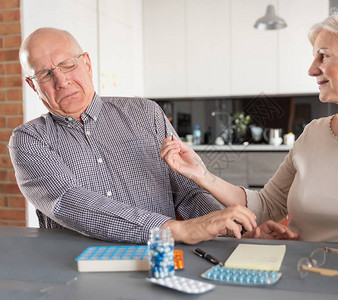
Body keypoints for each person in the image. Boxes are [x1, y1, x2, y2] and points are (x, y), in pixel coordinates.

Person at [160, 5, 338, 246]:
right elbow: (267, 206)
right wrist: (202, 174)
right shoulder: (314, 133)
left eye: (324, 55)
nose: (312, 69)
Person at [9, 27, 297, 244]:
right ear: (33, 86)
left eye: (68, 65)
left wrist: (234, 232)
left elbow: (187, 191)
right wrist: (176, 230)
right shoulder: (28, 140)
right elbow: (67, 201)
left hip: (160, 262)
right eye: (46, 74)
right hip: (77, 267)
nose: (61, 80)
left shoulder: (145, 113)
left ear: (87, 63)